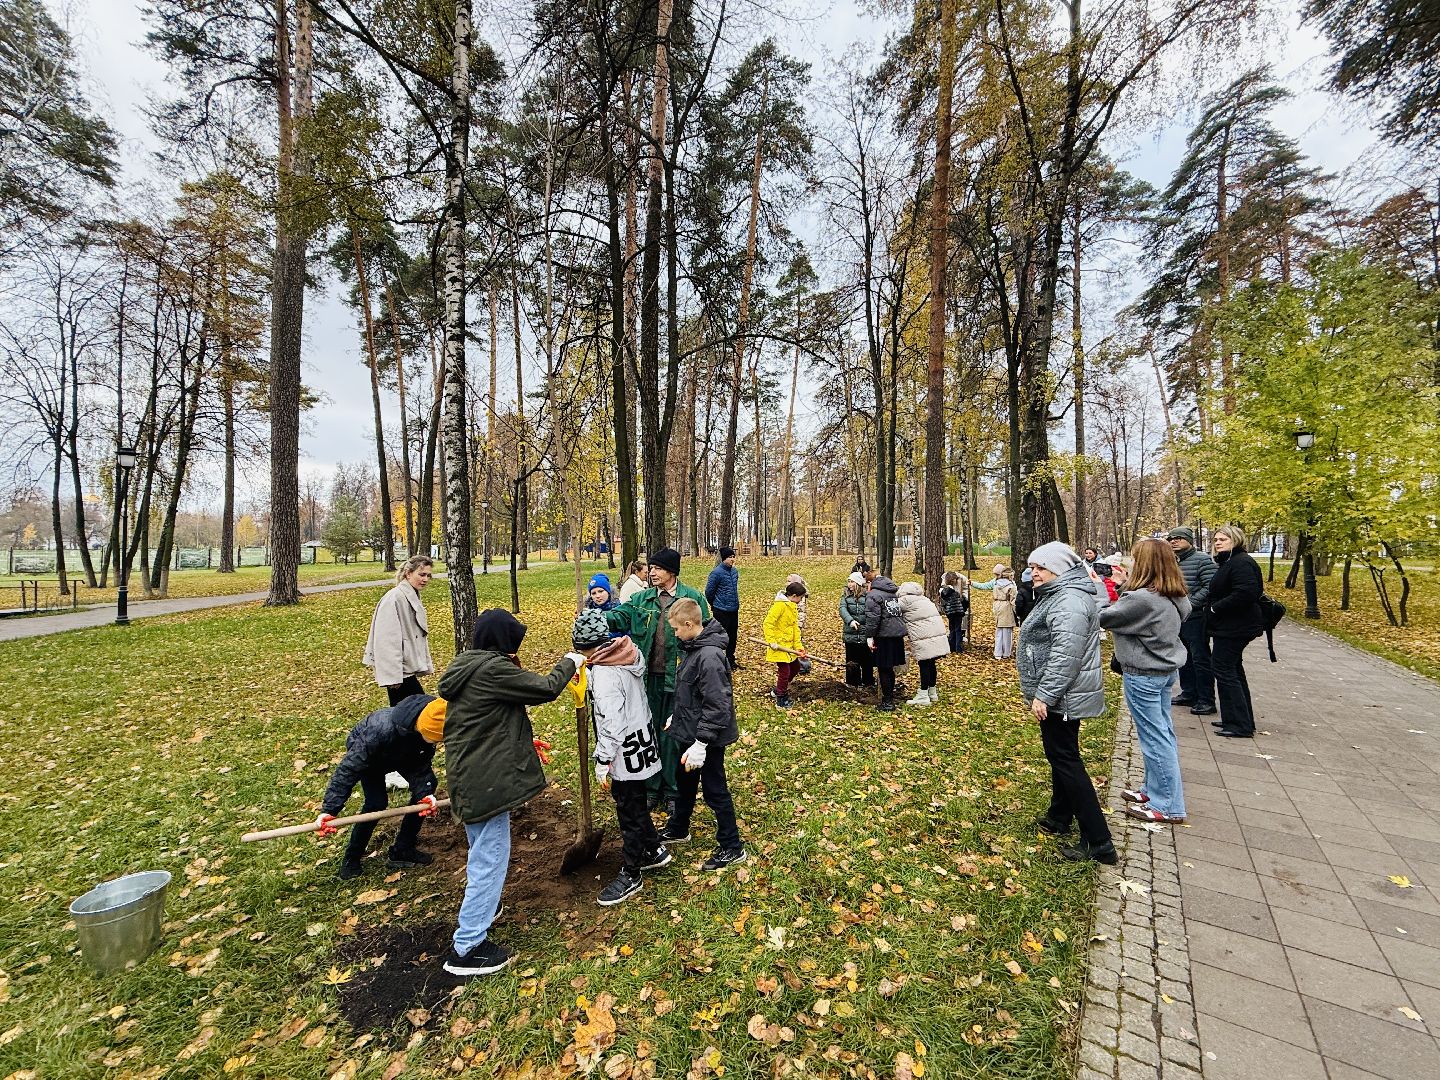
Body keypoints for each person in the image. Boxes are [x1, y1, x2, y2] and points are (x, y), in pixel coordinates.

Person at [437, 610, 585, 977]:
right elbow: (545, 688)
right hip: (484, 782)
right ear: (500, 643)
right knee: (490, 857)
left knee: (483, 852)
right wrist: (570, 661)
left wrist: (520, 741)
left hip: (472, 776)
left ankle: (484, 908)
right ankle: (468, 946)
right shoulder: (491, 670)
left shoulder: (468, 667)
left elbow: (490, 720)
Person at [1019, 542, 1116, 865]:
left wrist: (1045, 694)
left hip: (1063, 696)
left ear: (1059, 570)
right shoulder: (1060, 595)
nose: (1034, 573)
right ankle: (1059, 815)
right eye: (1033, 567)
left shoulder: (1069, 601)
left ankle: (1098, 839)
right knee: (1061, 756)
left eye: (1041, 568)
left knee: (1066, 760)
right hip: (1063, 694)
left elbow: (1066, 656)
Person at [569, 610, 671, 906]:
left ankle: (632, 871)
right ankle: (654, 850)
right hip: (641, 740)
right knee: (636, 800)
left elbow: (610, 721)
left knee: (628, 808)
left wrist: (603, 760)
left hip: (624, 750)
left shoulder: (603, 674)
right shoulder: (625, 654)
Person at [603, 547, 710, 819]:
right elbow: (618, 616)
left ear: (671, 572)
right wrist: (594, 615)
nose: (651, 572)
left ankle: (673, 791)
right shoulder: (641, 599)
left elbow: (706, 631)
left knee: (673, 735)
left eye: (657, 568)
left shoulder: (692, 597)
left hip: (680, 680)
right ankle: (651, 788)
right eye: (650, 568)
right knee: (647, 732)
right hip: (646, 679)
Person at [1100, 540, 1190, 824]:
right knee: (1162, 731)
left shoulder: (1142, 599)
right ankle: (1154, 789)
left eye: (1135, 559)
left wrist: (1102, 588)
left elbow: (1105, 616)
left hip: (1144, 673)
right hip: (1164, 671)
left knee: (1154, 737)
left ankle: (1167, 805)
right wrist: (1123, 584)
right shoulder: (1173, 594)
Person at [314, 694, 447, 879]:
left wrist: (424, 793)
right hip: (372, 760)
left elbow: (420, 763)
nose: (434, 743)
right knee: (376, 803)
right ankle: (351, 858)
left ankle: (403, 849)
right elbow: (347, 770)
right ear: (421, 728)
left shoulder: (428, 729)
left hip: (404, 753)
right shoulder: (377, 732)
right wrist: (329, 809)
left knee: (426, 789)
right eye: (432, 739)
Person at [660, 599, 746, 870]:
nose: (674, 634)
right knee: (683, 782)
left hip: (708, 737)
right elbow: (692, 691)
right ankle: (679, 827)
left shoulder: (709, 657)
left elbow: (718, 704)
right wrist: (679, 714)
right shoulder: (693, 648)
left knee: (714, 789)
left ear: (689, 624)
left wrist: (701, 743)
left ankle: (732, 845)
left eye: (675, 629)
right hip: (691, 729)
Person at [1205, 525, 1264, 739]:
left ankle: (1240, 723)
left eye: (1224, 539)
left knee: (1224, 669)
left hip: (1235, 627)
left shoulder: (1241, 563)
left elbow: (1247, 592)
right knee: (1232, 670)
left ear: (1236, 540)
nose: (1218, 542)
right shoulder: (1229, 562)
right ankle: (1236, 718)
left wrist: (1216, 607)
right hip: (1229, 626)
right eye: (1216, 539)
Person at [363, 555, 435, 705]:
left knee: (408, 715)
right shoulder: (394, 598)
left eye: (428, 575)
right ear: (408, 573)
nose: (426, 579)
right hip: (400, 671)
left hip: (404, 669)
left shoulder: (410, 595)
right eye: (421, 574)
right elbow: (386, 640)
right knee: (412, 713)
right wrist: (392, 676)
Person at [1167, 527, 1217, 716]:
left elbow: (1211, 586)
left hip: (1196, 617)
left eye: (1179, 538)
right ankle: (1189, 692)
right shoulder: (1172, 561)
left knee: (1200, 658)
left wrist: (1190, 604)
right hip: (1177, 617)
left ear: (1189, 540)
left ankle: (1206, 699)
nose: (1174, 541)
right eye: (1171, 538)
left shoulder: (1202, 560)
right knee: (1183, 657)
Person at [896, 581, 949, 705]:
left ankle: (923, 695)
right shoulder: (924, 599)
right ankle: (932, 692)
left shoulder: (905, 600)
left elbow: (890, 608)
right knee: (931, 663)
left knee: (924, 663)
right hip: (935, 634)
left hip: (923, 636)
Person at [863, 569, 908, 712]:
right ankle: (889, 698)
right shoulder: (891, 593)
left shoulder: (873, 595)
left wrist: (869, 637)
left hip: (883, 636)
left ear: (870, 582)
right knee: (890, 669)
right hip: (896, 635)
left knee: (884, 668)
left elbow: (872, 619)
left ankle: (887, 701)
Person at [762, 581, 807, 708]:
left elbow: (795, 629)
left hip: (789, 648)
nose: (801, 600)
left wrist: (799, 647)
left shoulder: (792, 607)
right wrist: (772, 641)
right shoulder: (780, 606)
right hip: (779, 646)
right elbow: (768, 623)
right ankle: (781, 699)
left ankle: (778, 689)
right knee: (785, 672)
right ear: (793, 596)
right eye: (800, 597)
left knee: (795, 668)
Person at [704, 547, 742, 670]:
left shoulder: (735, 572)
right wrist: (714, 605)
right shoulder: (716, 573)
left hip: (733, 609)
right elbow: (709, 592)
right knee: (720, 637)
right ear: (724, 559)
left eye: (733, 557)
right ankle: (718, 661)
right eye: (730, 557)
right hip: (721, 610)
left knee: (732, 637)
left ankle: (730, 661)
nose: (733, 559)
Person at [840, 573, 875, 688]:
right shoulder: (845, 596)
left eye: (852, 582)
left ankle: (868, 682)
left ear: (858, 583)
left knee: (867, 661)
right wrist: (850, 621)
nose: (849, 584)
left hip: (865, 634)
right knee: (852, 660)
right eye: (848, 581)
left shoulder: (868, 596)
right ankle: (852, 683)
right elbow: (842, 609)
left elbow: (871, 612)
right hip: (851, 635)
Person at [939, 571, 969, 653]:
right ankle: (958, 648)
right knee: (958, 630)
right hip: (958, 613)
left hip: (950, 614)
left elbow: (944, 603)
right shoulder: (957, 594)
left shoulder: (944, 594)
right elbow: (964, 601)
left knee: (951, 629)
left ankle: (951, 647)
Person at [992, 567, 1018, 659]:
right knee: (1007, 631)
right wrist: (1017, 612)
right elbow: (1013, 600)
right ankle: (1006, 653)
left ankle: (997, 653)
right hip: (1006, 607)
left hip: (997, 605)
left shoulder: (996, 583)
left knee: (999, 631)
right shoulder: (1011, 586)